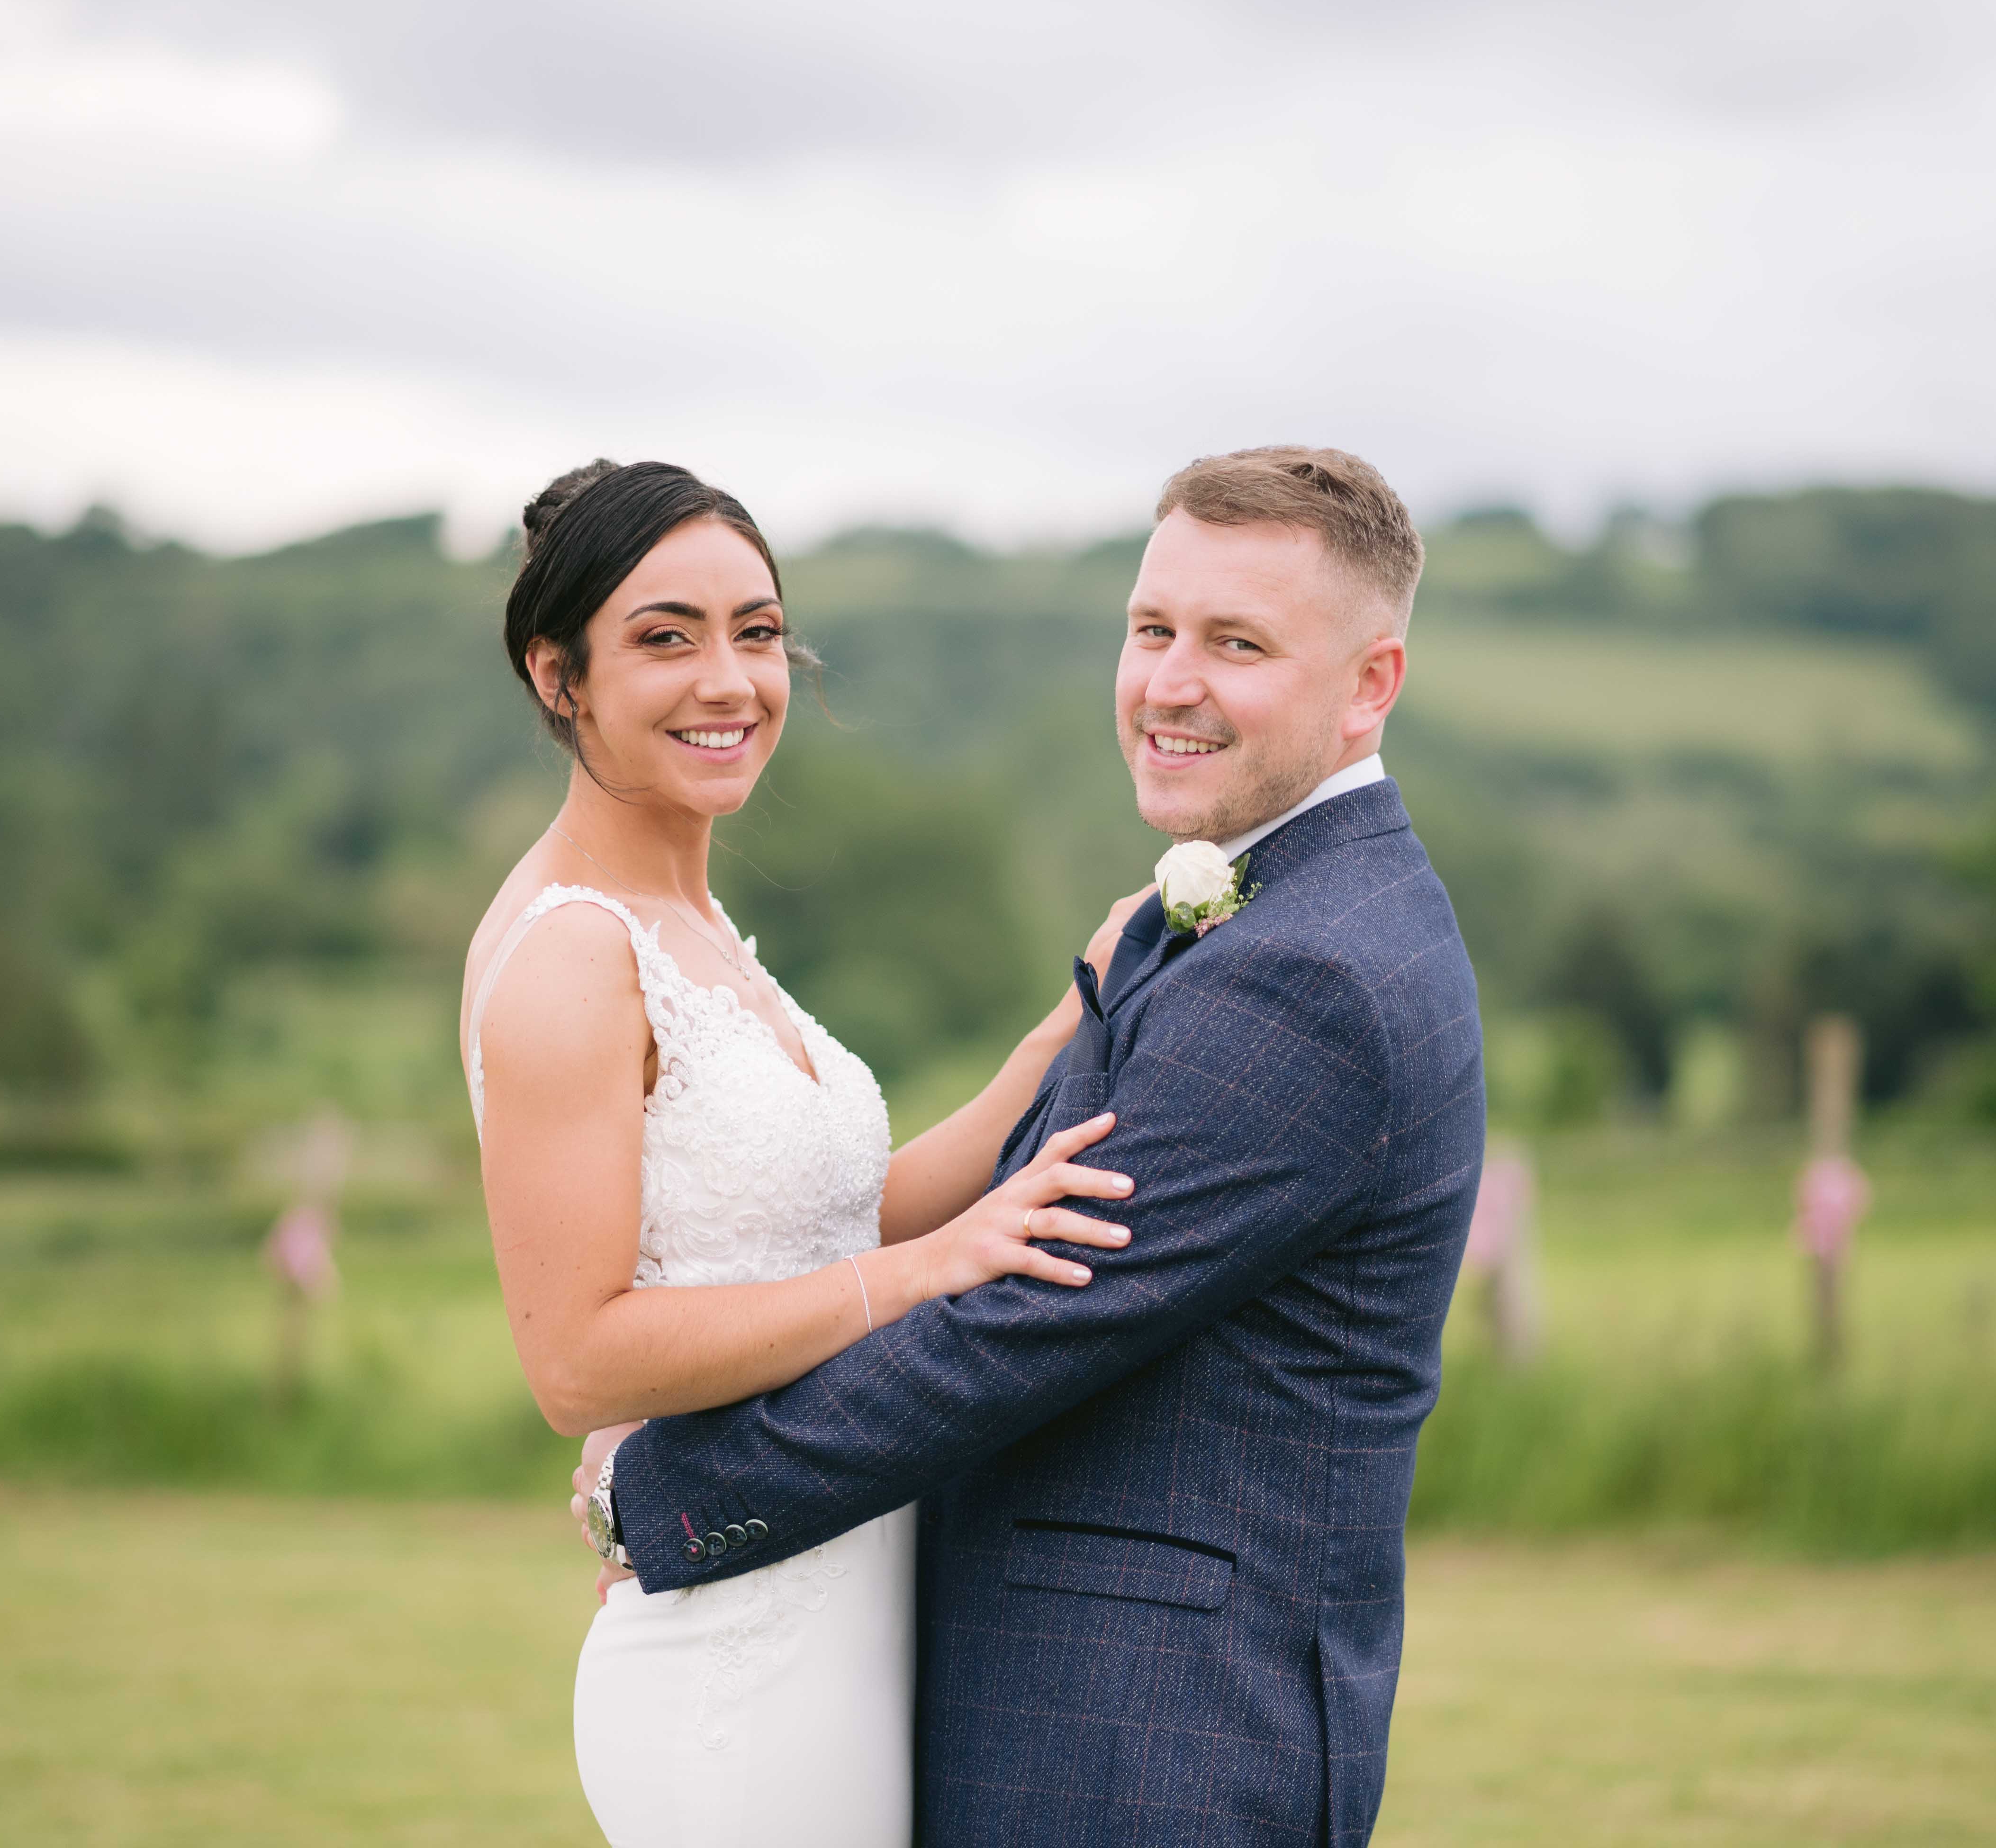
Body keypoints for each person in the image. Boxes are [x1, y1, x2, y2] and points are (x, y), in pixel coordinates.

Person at [586, 445, 1488, 1847]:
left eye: (1236, 643)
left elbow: (1019, 1324)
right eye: (1152, 630)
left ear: (1372, 683)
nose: (1169, 684)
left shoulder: (1310, 972)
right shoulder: (1271, 911)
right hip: (1098, 1717)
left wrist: (666, 1495)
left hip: (1151, 1744)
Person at [461, 458, 1145, 1848]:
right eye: (667, 638)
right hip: (734, 1662)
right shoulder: (574, 956)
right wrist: (927, 1277)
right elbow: (577, 1358)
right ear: (558, 674)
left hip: (838, 1598)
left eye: (757, 632)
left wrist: (1062, 1030)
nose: (731, 680)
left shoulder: (692, 929)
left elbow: (832, 1222)